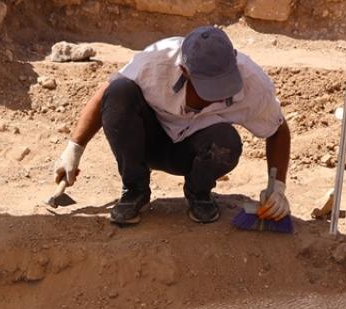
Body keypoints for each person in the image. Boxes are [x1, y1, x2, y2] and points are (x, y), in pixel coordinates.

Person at [55, 26, 292, 226]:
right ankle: (134, 190)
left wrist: (276, 187)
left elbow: (278, 129)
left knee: (226, 141)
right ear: (184, 71)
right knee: (119, 91)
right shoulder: (156, 62)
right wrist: (74, 149)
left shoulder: (251, 81)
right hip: (148, 142)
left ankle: (199, 193)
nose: (218, 96)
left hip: (194, 152)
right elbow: (107, 96)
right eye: (209, 87)